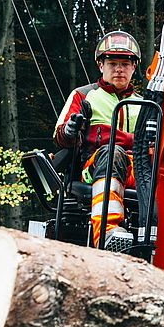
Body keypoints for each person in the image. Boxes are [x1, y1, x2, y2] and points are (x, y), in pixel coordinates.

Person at [54, 30, 142, 251]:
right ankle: (107, 231)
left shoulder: (146, 104)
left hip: (139, 170)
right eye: (113, 63)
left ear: (134, 67)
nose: (119, 69)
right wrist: (71, 130)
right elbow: (60, 136)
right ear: (101, 65)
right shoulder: (84, 95)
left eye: (125, 63)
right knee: (112, 153)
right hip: (96, 166)